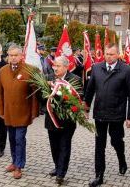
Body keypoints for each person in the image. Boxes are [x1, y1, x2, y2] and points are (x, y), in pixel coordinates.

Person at [84, 43, 130, 187]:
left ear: (118, 55)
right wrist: (86, 107)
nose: (108, 57)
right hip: (100, 113)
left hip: (117, 114)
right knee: (99, 146)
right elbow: (90, 90)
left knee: (116, 141)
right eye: (107, 54)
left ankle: (122, 159)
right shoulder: (96, 68)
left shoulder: (126, 70)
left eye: (112, 54)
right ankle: (99, 175)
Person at [0, 44, 39, 179]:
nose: (13, 58)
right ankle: (14, 162)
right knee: (11, 138)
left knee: (19, 139)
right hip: (8, 112)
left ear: (21, 56)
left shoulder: (31, 70)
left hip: (23, 112)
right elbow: (0, 93)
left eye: (16, 55)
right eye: (11, 55)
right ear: (8, 56)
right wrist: (1, 110)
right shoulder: (2, 71)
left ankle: (19, 166)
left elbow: (35, 94)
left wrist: (34, 112)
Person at [45, 56, 82, 185]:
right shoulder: (49, 77)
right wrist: (47, 95)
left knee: (64, 146)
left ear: (66, 67)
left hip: (67, 121)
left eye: (58, 66)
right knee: (54, 147)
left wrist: (61, 94)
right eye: (54, 65)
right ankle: (57, 166)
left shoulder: (75, 79)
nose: (55, 68)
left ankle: (61, 173)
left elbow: (79, 98)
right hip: (51, 119)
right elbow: (42, 98)